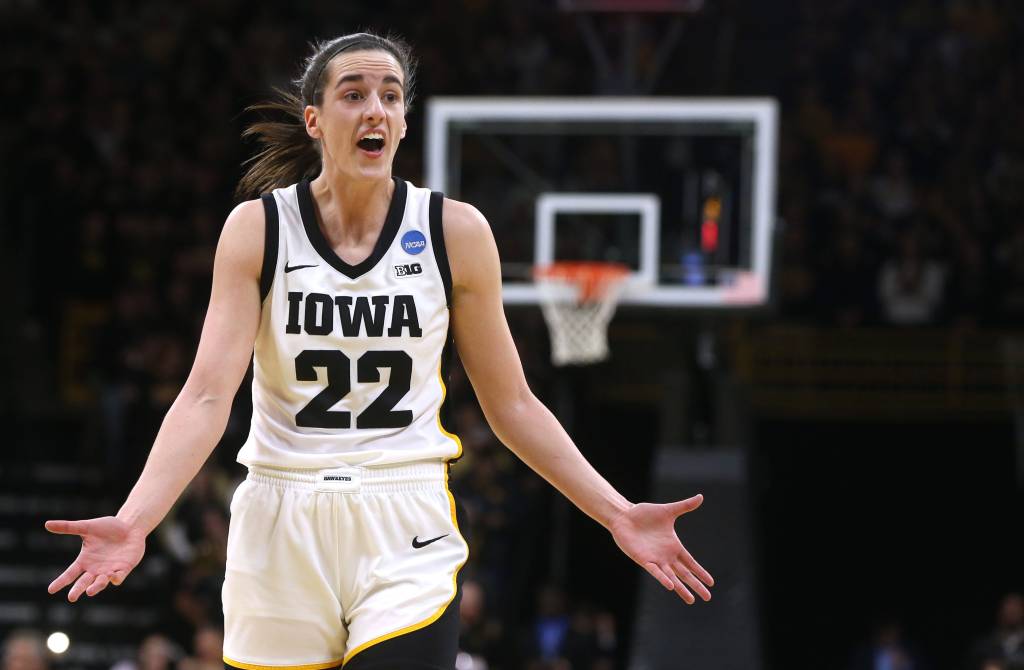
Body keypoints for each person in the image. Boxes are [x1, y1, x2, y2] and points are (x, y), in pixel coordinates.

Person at [44, 31, 714, 669]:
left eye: (391, 95)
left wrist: (616, 511)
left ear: (403, 120)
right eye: (355, 93)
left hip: (404, 514)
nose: (377, 109)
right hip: (281, 513)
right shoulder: (258, 230)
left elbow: (511, 403)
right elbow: (207, 395)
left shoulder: (455, 231)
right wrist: (135, 520)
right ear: (314, 120)